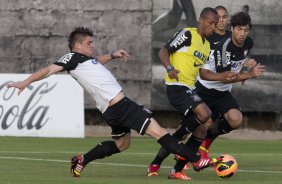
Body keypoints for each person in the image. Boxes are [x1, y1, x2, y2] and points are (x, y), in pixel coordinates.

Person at [7, 27, 218, 178]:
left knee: (122, 144)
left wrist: (113, 55)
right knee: (159, 132)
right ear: (78, 45)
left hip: (111, 110)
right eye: (89, 43)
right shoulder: (70, 58)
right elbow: (47, 70)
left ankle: (82, 160)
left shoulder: (83, 61)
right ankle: (195, 159)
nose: (93, 45)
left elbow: (96, 61)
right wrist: (25, 82)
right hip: (121, 106)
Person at [147, 7, 221, 180]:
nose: (213, 27)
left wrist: (225, 77)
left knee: (200, 131)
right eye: (211, 23)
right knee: (206, 114)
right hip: (176, 86)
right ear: (201, 20)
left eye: (215, 24)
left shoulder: (207, 46)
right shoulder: (187, 34)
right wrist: (170, 68)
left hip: (190, 88)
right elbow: (163, 51)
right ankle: (193, 159)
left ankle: (172, 169)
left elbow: (204, 74)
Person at [195, 11, 265, 163]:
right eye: (239, 29)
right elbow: (225, 78)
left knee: (235, 119)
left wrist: (243, 69)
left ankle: (204, 145)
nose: (242, 33)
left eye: (246, 30)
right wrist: (249, 75)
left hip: (222, 92)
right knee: (200, 125)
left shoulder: (248, 43)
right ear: (232, 29)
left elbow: (238, 61)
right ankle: (182, 155)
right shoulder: (223, 48)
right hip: (206, 89)